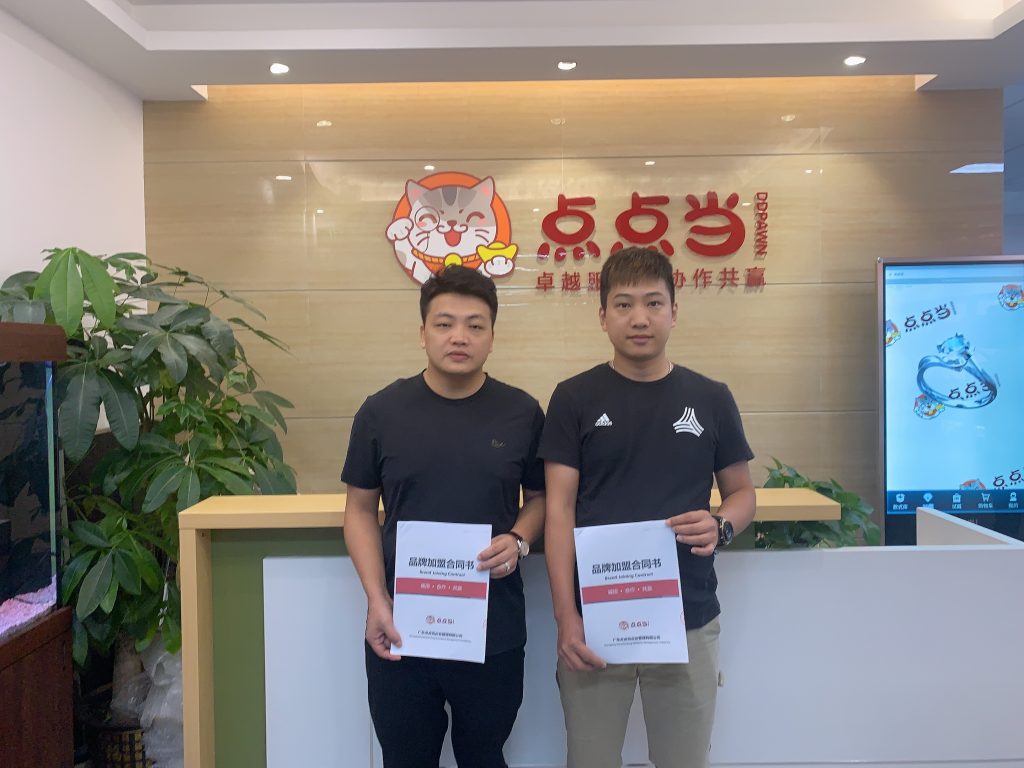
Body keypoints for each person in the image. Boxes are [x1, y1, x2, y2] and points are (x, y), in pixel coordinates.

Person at [539, 246, 756, 768]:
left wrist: (721, 526)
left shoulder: (711, 397)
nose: (640, 318)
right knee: (590, 759)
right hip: (597, 619)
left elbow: (742, 494)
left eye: (654, 303)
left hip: (688, 617)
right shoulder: (573, 399)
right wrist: (567, 617)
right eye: (624, 304)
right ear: (603, 316)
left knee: (684, 759)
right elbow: (558, 511)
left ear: (674, 312)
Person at [341, 265, 545, 768]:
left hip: (493, 629)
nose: (459, 337)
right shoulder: (381, 412)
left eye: (475, 325)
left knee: (485, 756)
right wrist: (376, 599)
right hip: (401, 628)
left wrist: (519, 539)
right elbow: (360, 510)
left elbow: (541, 499)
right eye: (445, 323)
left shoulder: (522, 412)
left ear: (492, 336)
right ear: (423, 333)